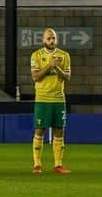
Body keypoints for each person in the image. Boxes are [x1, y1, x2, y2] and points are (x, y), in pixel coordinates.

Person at [31, 27, 72, 174]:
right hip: (42, 99)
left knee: (59, 131)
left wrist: (57, 68)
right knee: (39, 130)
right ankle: (37, 164)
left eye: (54, 38)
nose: (51, 41)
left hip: (58, 99)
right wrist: (50, 65)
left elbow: (67, 77)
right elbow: (35, 77)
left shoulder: (64, 55)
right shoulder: (36, 55)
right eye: (49, 38)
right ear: (43, 40)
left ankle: (58, 165)